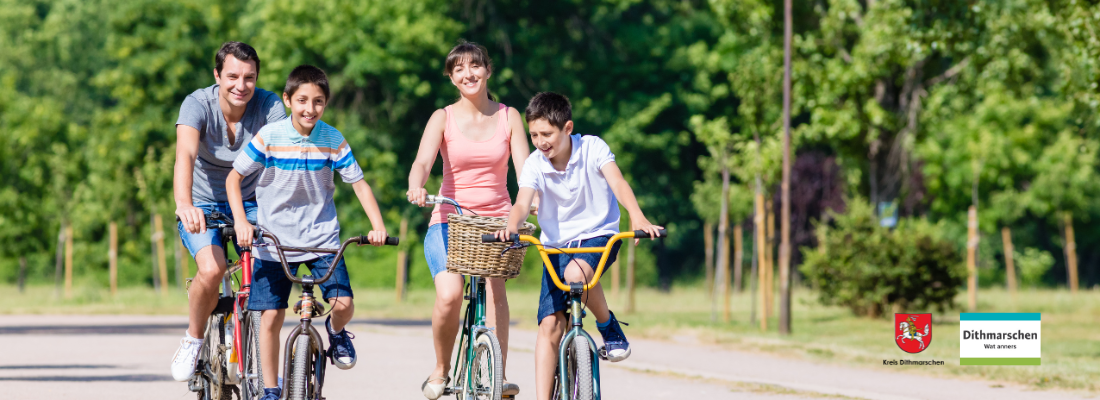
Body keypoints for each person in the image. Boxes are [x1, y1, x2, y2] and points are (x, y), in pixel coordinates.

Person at [226, 65, 389, 400]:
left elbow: (358, 184)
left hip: (322, 242)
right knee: (269, 316)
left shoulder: (332, 139)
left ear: (325, 105)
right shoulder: (270, 137)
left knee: (343, 303)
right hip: (274, 244)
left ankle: (335, 331)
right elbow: (233, 178)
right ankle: (271, 389)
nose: (309, 108)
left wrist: (378, 226)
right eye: (301, 100)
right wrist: (243, 221)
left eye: (318, 101)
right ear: (287, 100)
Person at [493, 92, 662, 400]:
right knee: (549, 327)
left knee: (575, 275)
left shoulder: (592, 148)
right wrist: (511, 226)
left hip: (599, 236)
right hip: (556, 246)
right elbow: (521, 202)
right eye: (534, 135)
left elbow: (618, 183)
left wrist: (637, 216)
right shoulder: (534, 164)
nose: (541, 141)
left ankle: (607, 325)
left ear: (567, 128)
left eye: (547, 134)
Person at [406, 41, 532, 399]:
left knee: (496, 290)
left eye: (475, 66)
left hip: (498, 222)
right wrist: (417, 185)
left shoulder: (509, 116)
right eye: (459, 69)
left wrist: (530, 198)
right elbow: (421, 162)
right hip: (450, 222)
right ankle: (441, 369)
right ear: (451, 77)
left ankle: (499, 374)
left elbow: (525, 170)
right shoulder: (442, 118)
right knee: (450, 294)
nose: (468, 74)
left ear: (488, 71)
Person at [171, 41, 287, 382]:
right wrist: (184, 204)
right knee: (212, 268)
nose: (241, 85)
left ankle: (262, 360)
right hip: (203, 203)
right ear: (217, 75)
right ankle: (193, 338)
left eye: (249, 78)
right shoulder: (197, 104)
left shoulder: (269, 107)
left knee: (272, 272)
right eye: (233, 76)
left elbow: (282, 158)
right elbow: (186, 156)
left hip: (252, 203)